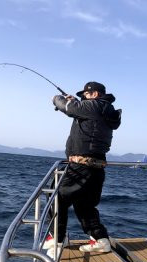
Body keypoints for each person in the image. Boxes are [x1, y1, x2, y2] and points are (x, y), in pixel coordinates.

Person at [44, 81, 122, 252]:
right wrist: (76, 103)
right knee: (85, 205)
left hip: (81, 166)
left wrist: (56, 99)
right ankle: (101, 240)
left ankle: (57, 239)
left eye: (86, 94)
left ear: (94, 94)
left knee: (56, 197)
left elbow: (68, 107)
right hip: (96, 167)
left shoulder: (95, 106)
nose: (84, 97)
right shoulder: (104, 109)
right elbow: (79, 109)